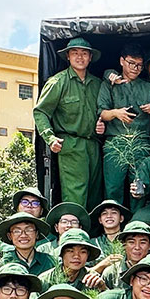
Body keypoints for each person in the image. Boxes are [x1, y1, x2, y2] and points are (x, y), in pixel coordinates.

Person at [33, 37, 104, 209]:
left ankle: (92, 228)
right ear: (68, 57)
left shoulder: (97, 84)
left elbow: (104, 111)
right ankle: (73, 227)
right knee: (75, 196)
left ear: (90, 57)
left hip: (94, 145)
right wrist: (50, 138)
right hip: (71, 145)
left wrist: (102, 123)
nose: (80, 57)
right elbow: (40, 112)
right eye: (75, 53)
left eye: (84, 53)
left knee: (95, 197)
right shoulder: (58, 82)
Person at [97, 42, 150, 203]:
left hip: (141, 143)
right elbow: (102, 113)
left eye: (139, 65)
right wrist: (116, 113)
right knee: (113, 189)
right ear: (122, 61)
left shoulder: (148, 88)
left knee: (139, 189)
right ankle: (113, 219)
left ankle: (138, 219)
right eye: (131, 63)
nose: (135, 68)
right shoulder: (109, 85)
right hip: (115, 142)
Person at [101, 220, 150, 289]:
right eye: (132, 242)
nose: (137, 247)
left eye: (143, 243)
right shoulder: (111, 273)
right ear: (123, 244)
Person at [38, 228, 104, 291]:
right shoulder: (46, 279)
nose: (76, 256)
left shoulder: (93, 278)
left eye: (83, 252)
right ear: (61, 253)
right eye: (70, 251)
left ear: (88, 255)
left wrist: (102, 287)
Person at [88, 199, 131, 263]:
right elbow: (85, 268)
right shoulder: (94, 243)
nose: (109, 216)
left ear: (121, 218)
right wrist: (103, 264)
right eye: (104, 213)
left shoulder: (129, 241)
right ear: (100, 220)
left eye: (114, 212)